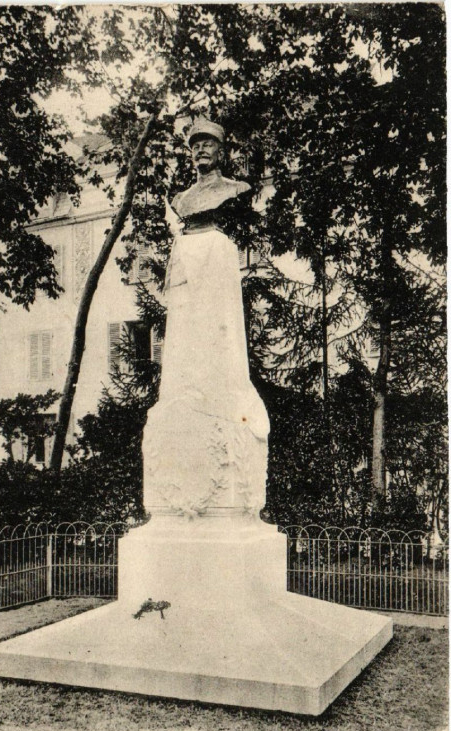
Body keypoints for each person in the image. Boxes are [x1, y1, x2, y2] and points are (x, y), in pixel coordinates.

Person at [143, 118, 270, 517]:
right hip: (190, 256)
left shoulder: (234, 191)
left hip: (213, 259)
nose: (200, 151)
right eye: (194, 145)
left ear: (221, 152)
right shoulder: (181, 200)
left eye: (208, 145)